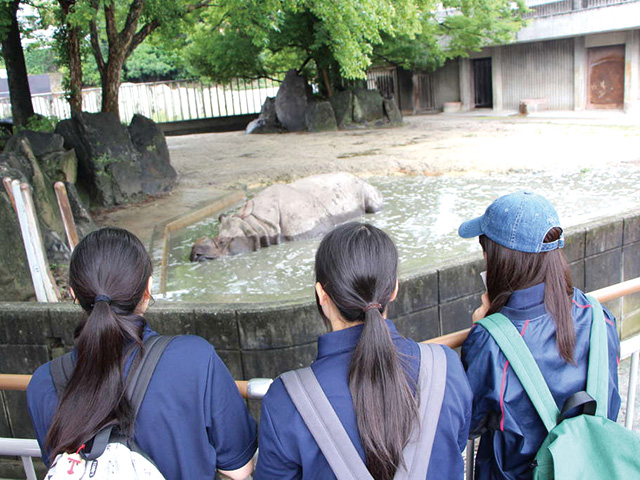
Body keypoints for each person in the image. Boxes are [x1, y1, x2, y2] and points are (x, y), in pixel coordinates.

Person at [27, 227, 257, 480]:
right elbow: (238, 468)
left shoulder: (43, 382)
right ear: (148, 287)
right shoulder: (195, 359)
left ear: (72, 293)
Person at [254, 222, 472, 480]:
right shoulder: (446, 368)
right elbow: (454, 448)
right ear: (394, 290)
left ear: (321, 295)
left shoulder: (287, 399)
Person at [459, 191, 621, 480]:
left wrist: (479, 328)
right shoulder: (598, 316)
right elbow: (610, 402)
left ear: (496, 259)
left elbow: (468, 423)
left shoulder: (491, 341)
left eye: (484, 250)